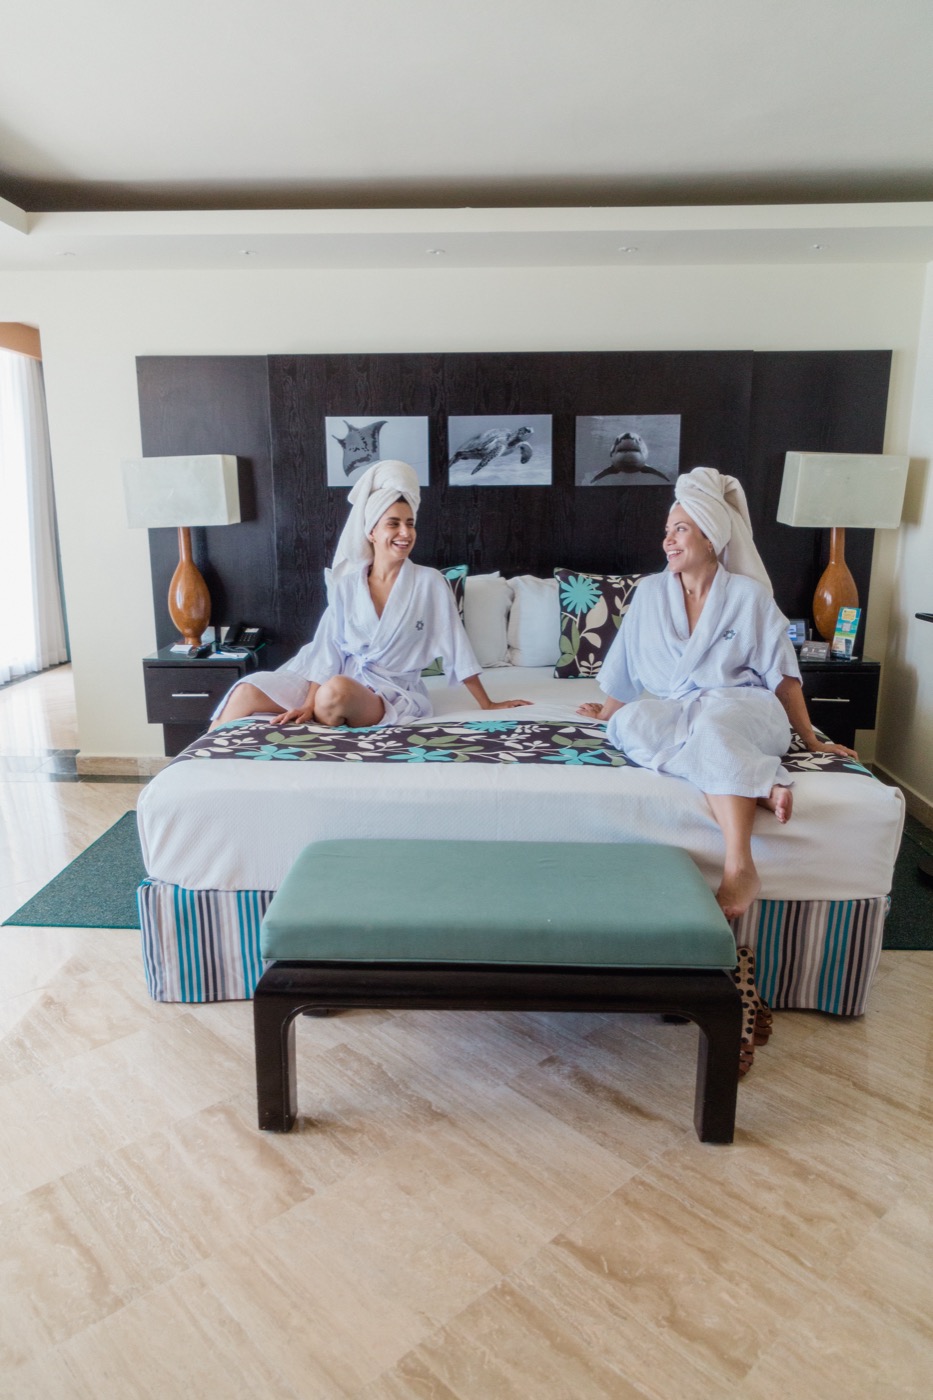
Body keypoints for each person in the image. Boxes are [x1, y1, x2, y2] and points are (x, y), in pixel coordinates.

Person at [577, 466, 857, 921]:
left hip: (742, 707)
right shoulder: (648, 593)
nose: (668, 540)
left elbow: (782, 676)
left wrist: (811, 739)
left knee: (712, 725)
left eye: (681, 529)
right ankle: (759, 783)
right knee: (629, 724)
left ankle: (739, 863)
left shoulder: (748, 597)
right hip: (677, 710)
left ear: (710, 538)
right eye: (667, 530)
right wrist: (607, 710)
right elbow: (625, 662)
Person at [212, 459, 529, 730]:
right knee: (247, 690)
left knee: (334, 692)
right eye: (394, 523)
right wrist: (307, 705)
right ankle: (197, 761)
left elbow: (456, 645)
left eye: (410, 523)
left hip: (389, 691)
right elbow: (327, 651)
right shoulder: (348, 585)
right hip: (337, 680)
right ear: (372, 532)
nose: (405, 533)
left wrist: (487, 704)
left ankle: (321, 713)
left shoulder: (429, 583)